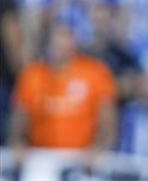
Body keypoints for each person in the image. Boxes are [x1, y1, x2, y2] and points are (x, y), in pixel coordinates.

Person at [9, 23, 117, 164]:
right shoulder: (32, 75)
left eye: (66, 36)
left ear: (75, 40)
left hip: (81, 161)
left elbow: (108, 125)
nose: (59, 42)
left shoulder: (96, 73)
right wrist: (18, 146)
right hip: (40, 160)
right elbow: (18, 125)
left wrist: (98, 150)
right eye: (56, 35)